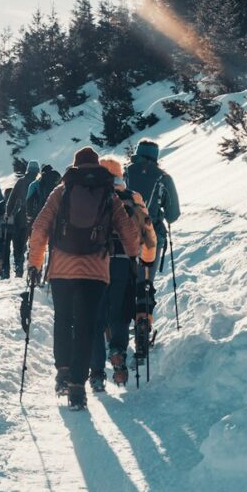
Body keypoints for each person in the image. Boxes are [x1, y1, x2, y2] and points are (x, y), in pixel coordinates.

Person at [27, 147, 140, 410]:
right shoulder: (108, 192)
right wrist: (133, 257)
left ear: (75, 166)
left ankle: (63, 374)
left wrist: (34, 263)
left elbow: (40, 226)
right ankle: (78, 387)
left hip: (62, 269)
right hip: (95, 270)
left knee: (64, 320)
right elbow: (128, 230)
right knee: (87, 326)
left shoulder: (62, 190)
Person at [89, 156, 158, 390]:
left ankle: (97, 373)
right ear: (120, 175)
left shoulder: (91, 196)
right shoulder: (132, 198)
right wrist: (146, 262)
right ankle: (118, 350)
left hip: (95, 264)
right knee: (120, 314)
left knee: (96, 319)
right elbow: (149, 234)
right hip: (124, 264)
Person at [124, 140, 180, 273]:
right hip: (151, 236)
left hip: (124, 235)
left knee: (124, 285)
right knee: (145, 285)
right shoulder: (164, 178)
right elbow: (173, 215)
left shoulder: (125, 173)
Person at [0, 160, 39, 278]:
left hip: (21, 215)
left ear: (27, 170)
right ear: (37, 171)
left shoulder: (21, 182)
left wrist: (8, 213)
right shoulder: (38, 182)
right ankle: (33, 268)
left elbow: (11, 200)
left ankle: (19, 266)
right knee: (34, 242)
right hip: (35, 216)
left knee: (19, 242)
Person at [0, 187, 14, 279]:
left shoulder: (1, 204)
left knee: (4, 250)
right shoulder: (16, 202)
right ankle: (9, 270)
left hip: (2, 230)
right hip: (13, 230)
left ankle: (4, 270)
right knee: (9, 250)